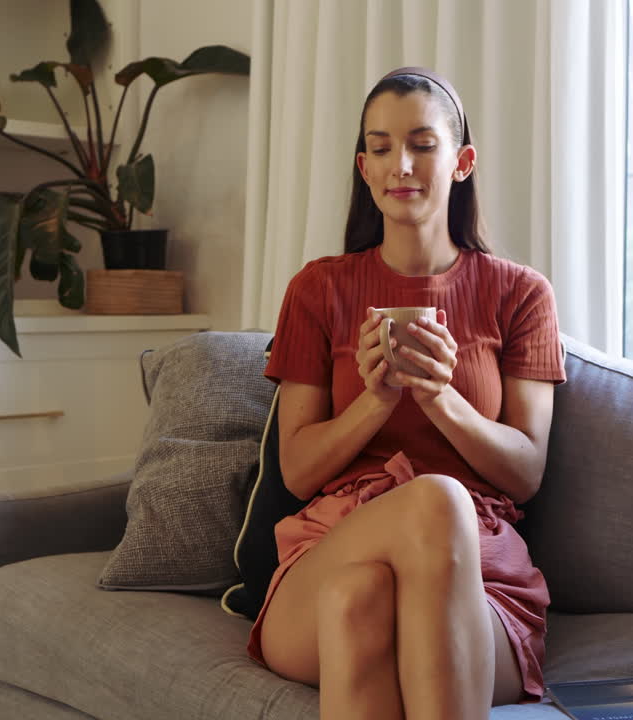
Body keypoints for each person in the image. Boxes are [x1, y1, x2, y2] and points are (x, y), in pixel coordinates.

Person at [248, 66, 567, 720]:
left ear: (461, 162)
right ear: (365, 168)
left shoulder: (520, 294)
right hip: (332, 546)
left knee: (368, 592)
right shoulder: (318, 289)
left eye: (424, 143)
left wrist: (440, 397)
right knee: (361, 575)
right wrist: (377, 401)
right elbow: (299, 468)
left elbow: (527, 471)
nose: (402, 163)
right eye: (383, 147)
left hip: (476, 575)